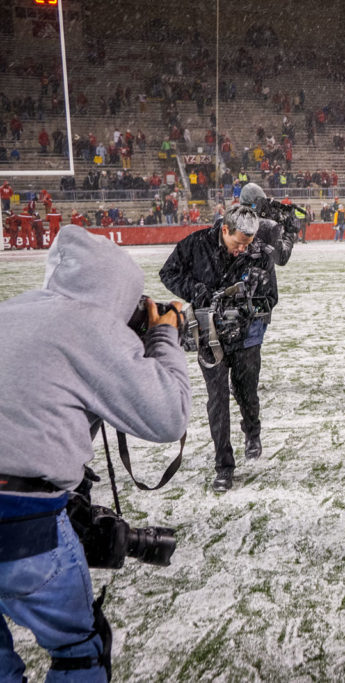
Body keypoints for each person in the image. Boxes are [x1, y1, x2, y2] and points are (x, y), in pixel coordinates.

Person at [0, 226, 190, 681]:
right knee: (78, 650)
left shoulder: (12, 311)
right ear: (118, 291)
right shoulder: (92, 326)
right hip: (22, 523)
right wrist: (162, 337)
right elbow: (166, 416)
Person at [160, 204, 291, 492]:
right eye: (238, 243)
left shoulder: (260, 253)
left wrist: (248, 307)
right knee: (217, 401)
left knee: (246, 392)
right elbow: (167, 273)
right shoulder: (195, 244)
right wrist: (195, 290)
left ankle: (252, 432)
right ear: (224, 230)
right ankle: (224, 465)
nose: (243, 250)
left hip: (247, 337)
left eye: (248, 244)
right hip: (210, 336)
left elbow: (271, 299)